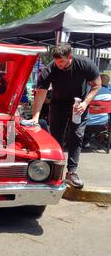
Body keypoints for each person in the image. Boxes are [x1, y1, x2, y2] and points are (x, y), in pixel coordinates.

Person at [27, 43, 102, 188]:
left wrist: (86, 103)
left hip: (78, 105)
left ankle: (71, 172)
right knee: (55, 138)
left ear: (70, 57)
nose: (58, 65)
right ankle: (53, 171)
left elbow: (97, 85)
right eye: (56, 61)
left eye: (61, 61)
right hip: (58, 104)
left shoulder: (85, 64)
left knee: (76, 136)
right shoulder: (51, 69)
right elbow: (41, 92)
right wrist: (35, 117)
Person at [83, 74, 111, 148]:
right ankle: (87, 141)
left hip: (86, 123)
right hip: (104, 124)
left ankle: (83, 142)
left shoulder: (90, 91)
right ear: (108, 83)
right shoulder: (109, 94)